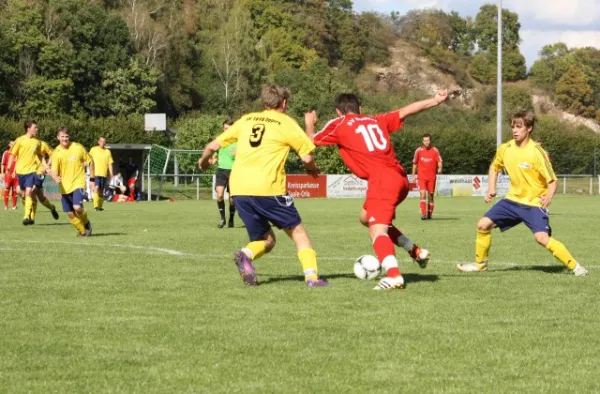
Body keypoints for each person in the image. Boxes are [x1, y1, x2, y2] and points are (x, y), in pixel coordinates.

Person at [306, 90, 448, 290]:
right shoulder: (375, 120)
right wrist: (435, 100)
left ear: (339, 112)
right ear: (360, 109)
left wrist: (310, 123)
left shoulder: (339, 124)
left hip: (382, 180)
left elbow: (309, 141)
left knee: (377, 230)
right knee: (366, 218)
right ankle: (414, 250)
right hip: (399, 178)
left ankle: (394, 276)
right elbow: (406, 111)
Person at [198, 84, 328, 288]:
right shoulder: (286, 122)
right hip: (269, 188)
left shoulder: (246, 120)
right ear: (284, 103)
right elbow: (307, 156)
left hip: (240, 190)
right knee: (298, 234)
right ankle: (312, 279)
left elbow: (212, 146)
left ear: (264, 102)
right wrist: (310, 128)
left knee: (266, 239)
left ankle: (245, 255)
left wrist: (204, 161)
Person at [457, 110, 588, 276]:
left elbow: (553, 180)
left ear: (529, 128)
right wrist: (491, 188)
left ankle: (577, 268)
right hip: (512, 201)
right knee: (483, 224)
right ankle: (480, 265)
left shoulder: (536, 152)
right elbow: (494, 167)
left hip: (533, 204)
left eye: (519, 127)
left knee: (541, 238)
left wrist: (548, 196)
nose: (515, 130)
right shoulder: (505, 148)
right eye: (513, 126)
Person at [50, 127, 94, 237]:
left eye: (67, 136)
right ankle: (82, 231)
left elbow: (90, 162)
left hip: (78, 183)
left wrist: (92, 179)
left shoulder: (78, 148)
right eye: (62, 137)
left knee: (77, 207)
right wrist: (55, 177)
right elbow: (54, 170)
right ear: (58, 137)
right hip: (64, 186)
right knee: (70, 213)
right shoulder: (56, 152)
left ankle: (86, 223)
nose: (65, 139)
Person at [4, 120, 43, 225]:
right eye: (35, 127)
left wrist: (44, 165)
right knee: (22, 193)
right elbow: (12, 154)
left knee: (29, 192)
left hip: (32, 171)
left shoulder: (37, 142)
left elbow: (40, 154)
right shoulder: (19, 140)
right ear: (28, 128)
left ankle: (27, 217)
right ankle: (29, 212)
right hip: (20, 172)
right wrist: (8, 167)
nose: (37, 129)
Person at [209, 119, 237, 228]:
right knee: (219, 194)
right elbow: (215, 155)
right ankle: (222, 219)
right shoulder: (220, 141)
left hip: (234, 172)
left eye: (228, 129)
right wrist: (213, 160)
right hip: (221, 170)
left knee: (232, 199)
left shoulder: (238, 141)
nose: (226, 131)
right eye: (224, 128)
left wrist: (239, 154)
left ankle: (231, 219)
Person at [412, 133, 442, 220]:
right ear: (422, 141)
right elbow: (414, 163)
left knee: (430, 196)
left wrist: (440, 168)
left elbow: (439, 161)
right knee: (422, 194)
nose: (426, 142)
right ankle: (424, 214)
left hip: (431, 178)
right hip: (421, 177)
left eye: (428, 140)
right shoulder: (418, 151)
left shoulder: (435, 151)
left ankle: (429, 214)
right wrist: (413, 175)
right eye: (424, 141)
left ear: (430, 141)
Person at [31, 140, 60, 221]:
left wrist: (47, 166)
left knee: (32, 191)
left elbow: (53, 154)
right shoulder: (24, 142)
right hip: (28, 171)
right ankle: (52, 208)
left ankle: (31, 217)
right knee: (40, 196)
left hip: (40, 171)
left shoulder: (43, 144)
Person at [89, 136, 114, 211]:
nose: (103, 143)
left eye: (104, 141)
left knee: (101, 191)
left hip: (104, 174)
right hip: (95, 173)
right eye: (101, 141)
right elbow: (89, 159)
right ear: (98, 142)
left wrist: (111, 174)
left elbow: (110, 164)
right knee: (96, 188)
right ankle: (96, 205)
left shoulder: (107, 151)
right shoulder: (93, 149)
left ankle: (99, 206)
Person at [1, 141, 18, 210]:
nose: (13, 145)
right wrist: (2, 173)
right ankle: (6, 206)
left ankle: (14, 206)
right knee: (7, 188)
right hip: (8, 174)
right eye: (12, 144)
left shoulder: (18, 153)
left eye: (14, 144)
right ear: (9, 145)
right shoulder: (6, 152)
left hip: (16, 174)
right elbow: (3, 164)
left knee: (15, 190)